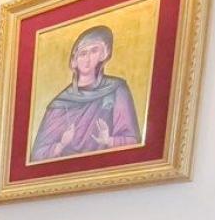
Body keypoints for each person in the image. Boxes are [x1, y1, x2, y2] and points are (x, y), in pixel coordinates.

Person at [31, 25, 141, 162]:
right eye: (83, 53)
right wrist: (61, 145)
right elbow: (37, 155)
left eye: (94, 51)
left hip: (107, 167)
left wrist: (109, 140)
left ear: (104, 54)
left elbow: (133, 141)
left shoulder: (116, 89)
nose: (87, 59)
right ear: (74, 61)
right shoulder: (59, 104)